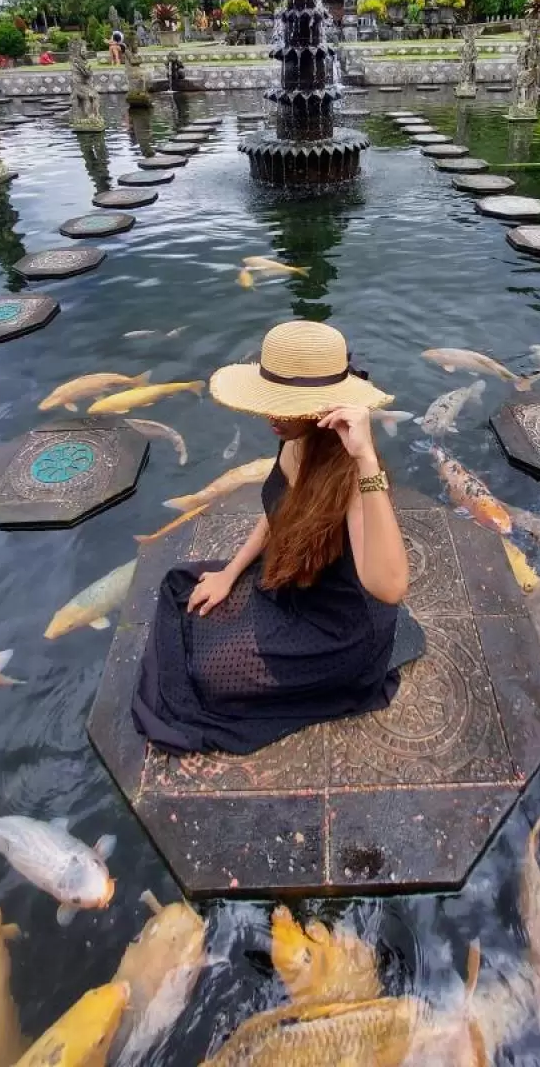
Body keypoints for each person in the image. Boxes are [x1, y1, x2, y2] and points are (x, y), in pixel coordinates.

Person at [132, 320, 411, 755]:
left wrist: (366, 460)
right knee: (184, 587)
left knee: (211, 675)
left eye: (289, 406)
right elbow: (277, 514)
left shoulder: (352, 474)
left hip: (339, 629)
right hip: (298, 587)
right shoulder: (295, 437)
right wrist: (230, 572)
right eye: (274, 402)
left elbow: (390, 587)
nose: (273, 417)